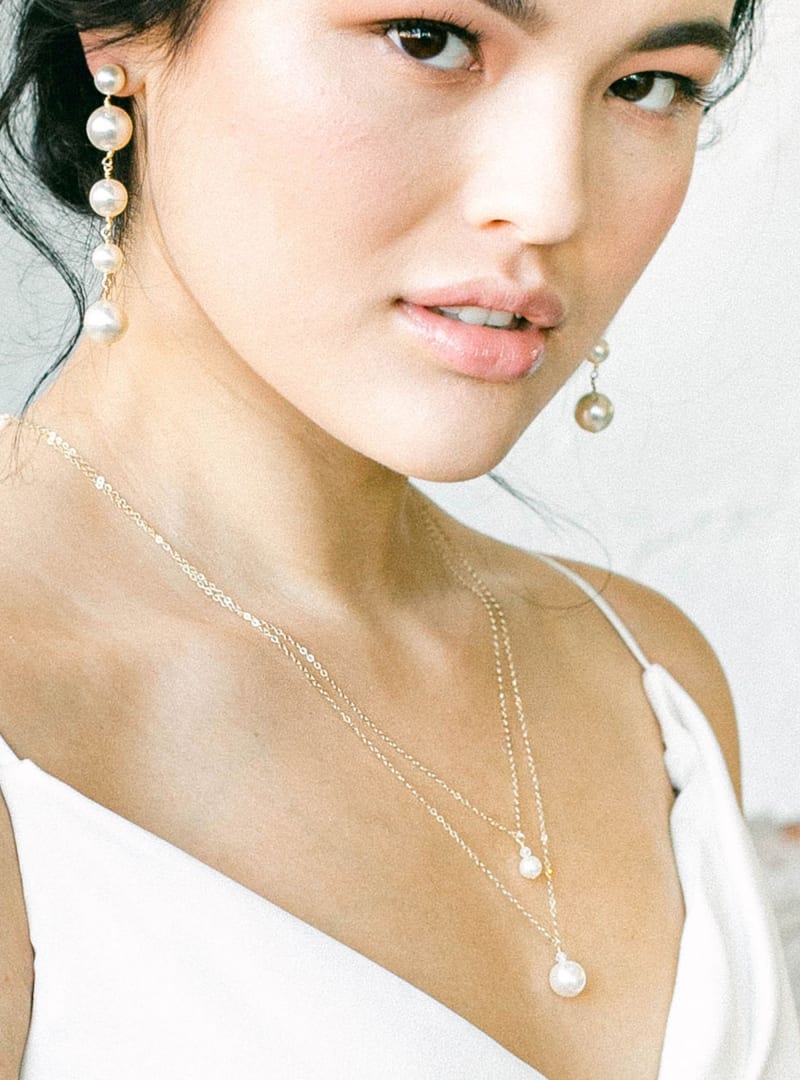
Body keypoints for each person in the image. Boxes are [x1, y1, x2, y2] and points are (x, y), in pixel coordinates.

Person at [0, 0, 797, 1076]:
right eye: (429, 39)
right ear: (124, 32)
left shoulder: (648, 682)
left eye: (646, 85)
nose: (551, 204)